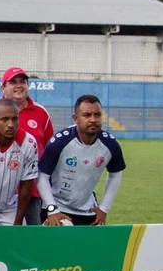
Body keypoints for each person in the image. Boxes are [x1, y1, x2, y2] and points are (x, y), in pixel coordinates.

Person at [0, 67, 54, 225]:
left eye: (22, 81)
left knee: (29, 240)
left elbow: (49, 152)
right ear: (3, 87)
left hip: (31, 190)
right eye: (13, 82)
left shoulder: (41, 113)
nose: (19, 85)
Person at [37, 95, 125, 226]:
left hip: (88, 210)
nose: (93, 120)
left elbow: (116, 174)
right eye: (87, 115)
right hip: (57, 207)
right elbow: (42, 176)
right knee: (64, 232)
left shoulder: (110, 144)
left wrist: (104, 209)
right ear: (76, 118)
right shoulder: (60, 142)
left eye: (97, 115)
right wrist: (52, 209)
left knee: (91, 245)